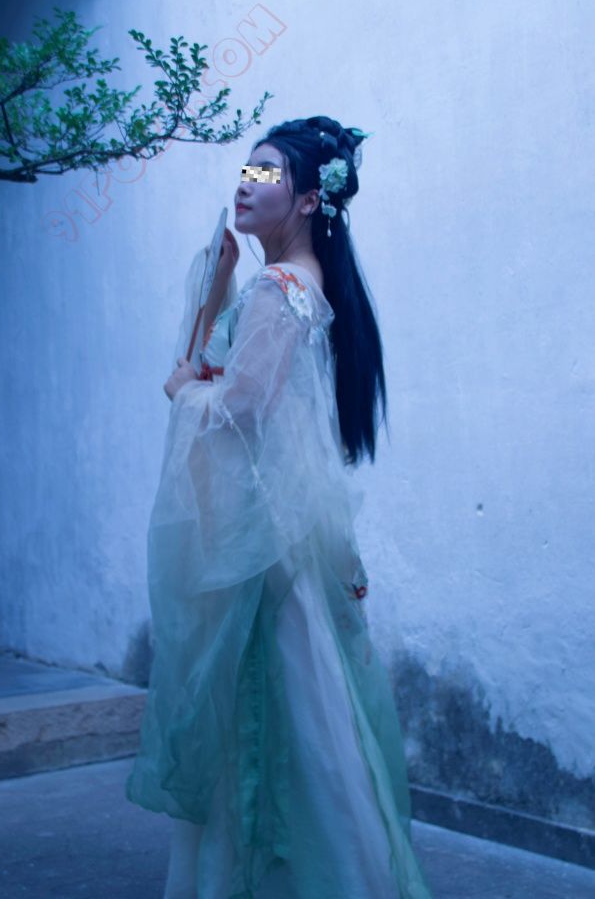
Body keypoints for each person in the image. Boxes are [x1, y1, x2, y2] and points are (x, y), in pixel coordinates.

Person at [125, 116, 434, 898]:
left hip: (265, 550)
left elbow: (240, 408)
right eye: (245, 169)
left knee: (273, 718)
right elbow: (231, 379)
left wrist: (181, 393)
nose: (245, 184)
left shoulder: (279, 289)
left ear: (306, 201)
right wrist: (215, 286)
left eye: (266, 174)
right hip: (284, 540)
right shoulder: (294, 282)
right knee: (311, 724)